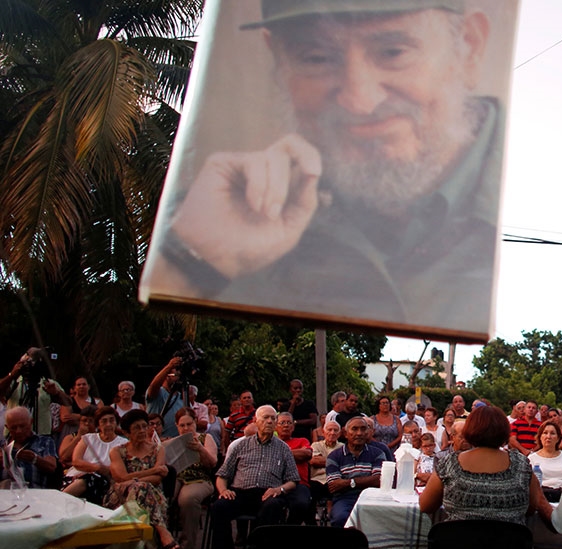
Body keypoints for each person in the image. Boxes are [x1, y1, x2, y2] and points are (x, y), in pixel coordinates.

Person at [147, 0, 503, 336]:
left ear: (469, 48)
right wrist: (192, 260)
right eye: (317, 58)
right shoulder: (228, 212)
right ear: (278, 61)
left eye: (393, 52)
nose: (359, 101)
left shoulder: (524, 196)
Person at [420, 405, 544, 525]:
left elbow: (426, 505)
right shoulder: (521, 465)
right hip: (509, 539)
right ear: (505, 430)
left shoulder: (450, 464)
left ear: (469, 430)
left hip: (460, 538)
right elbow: (531, 508)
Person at [212, 406, 300, 549]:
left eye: (273, 418)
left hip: (268, 494)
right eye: (266, 418)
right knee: (219, 507)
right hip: (240, 493)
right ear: (256, 421)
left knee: (273, 506)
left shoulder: (284, 449)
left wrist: (279, 489)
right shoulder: (241, 445)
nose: (270, 421)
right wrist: (223, 490)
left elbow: (293, 480)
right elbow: (222, 475)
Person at [105, 409, 182, 549]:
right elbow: (121, 478)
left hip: (152, 494)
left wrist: (133, 480)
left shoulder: (158, 449)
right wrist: (153, 470)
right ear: (126, 432)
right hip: (122, 495)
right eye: (136, 428)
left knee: (142, 487)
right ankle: (164, 533)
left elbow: (157, 479)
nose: (142, 431)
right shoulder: (117, 451)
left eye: (144, 426)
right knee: (142, 487)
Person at [171, 407, 218, 549]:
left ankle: (186, 545)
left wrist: (200, 449)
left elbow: (213, 463)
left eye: (189, 424)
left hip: (199, 478)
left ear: (195, 422)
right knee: (162, 496)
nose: (186, 428)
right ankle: (164, 542)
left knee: (188, 499)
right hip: (177, 477)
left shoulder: (205, 438)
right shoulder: (173, 442)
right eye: (182, 425)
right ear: (176, 426)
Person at [326, 417, 386, 527]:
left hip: (371, 497)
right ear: (345, 433)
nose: (359, 433)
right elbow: (334, 485)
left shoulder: (378, 454)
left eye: (363, 429)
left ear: (368, 432)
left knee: (380, 520)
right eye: (354, 429)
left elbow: (379, 480)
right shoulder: (334, 456)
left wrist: (349, 482)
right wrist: (367, 481)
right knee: (341, 518)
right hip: (344, 499)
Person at [63, 406, 128, 503]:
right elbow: (76, 461)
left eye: (111, 420)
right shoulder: (88, 438)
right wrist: (97, 468)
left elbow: (120, 469)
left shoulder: (123, 443)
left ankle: (60, 499)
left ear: (116, 423)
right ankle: (60, 499)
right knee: (87, 480)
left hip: (103, 481)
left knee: (91, 480)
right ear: (98, 424)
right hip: (77, 476)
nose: (108, 424)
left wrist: (101, 471)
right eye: (104, 421)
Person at [0, 348, 70, 437]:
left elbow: (68, 402)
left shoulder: (47, 383)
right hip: (15, 435)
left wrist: (56, 393)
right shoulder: (14, 383)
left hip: (41, 436)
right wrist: (11, 375)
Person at [1, 406, 58, 489]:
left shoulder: (44, 441)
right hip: (5, 492)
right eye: (13, 428)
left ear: (31, 422)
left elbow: (52, 467)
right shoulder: (2, 445)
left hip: (35, 492)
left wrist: (35, 459)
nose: (18, 431)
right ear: (7, 427)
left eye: (22, 426)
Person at [276, 411, 315, 524]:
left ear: (293, 427)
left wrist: (279, 454)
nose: (286, 425)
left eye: (289, 423)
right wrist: (295, 454)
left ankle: (289, 528)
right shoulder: (272, 443)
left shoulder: (302, 441)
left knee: (301, 504)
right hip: (275, 484)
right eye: (282, 422)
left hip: (299, 484)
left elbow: (306, 454)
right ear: (275, 426)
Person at [528, 420, 562, 502]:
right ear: (540, 436)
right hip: (541, 498)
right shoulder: (531, 458)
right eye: (545, 433)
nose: (548, 436)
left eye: (552, 433)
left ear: (558, 438)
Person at [145, 357, 186, 438]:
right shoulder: (159, 393)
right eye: (175, 374)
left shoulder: (182, 397)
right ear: (167, 376)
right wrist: (170, 366)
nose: (178, 377)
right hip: (156, 438)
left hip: (175, 440)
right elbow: (153, 386)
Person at [59, 376, 102, 445]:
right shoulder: (69, 401)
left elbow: (101, 416)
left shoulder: (97, 401)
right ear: (74, 388)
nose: (81, 386)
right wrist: (89, 417)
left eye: (84, 384)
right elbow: (65, 417)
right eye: (79, 385)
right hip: (71, 432)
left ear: (89, 387)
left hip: (93, 432)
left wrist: (77, 416)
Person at [310, 420, 343, 508]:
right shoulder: (316, 445)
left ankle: (331, 512)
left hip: (336, 479)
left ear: (339, 434)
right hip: (317, 479)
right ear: (323, 433)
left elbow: (344, 464)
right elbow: (314, 461)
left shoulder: (343, 447)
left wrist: (323, 460)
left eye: (335, 430)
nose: (332, 433)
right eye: (329, 430)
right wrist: (336, 461)